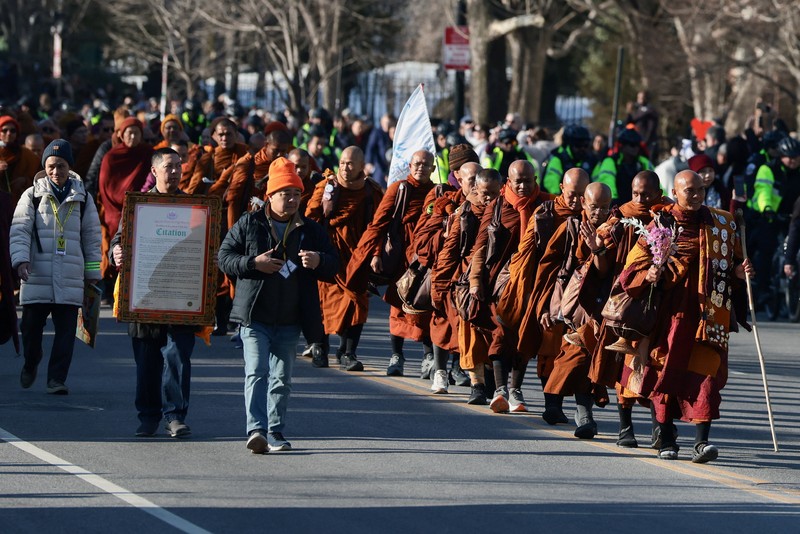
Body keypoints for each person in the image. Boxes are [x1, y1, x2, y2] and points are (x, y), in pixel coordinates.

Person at [618, 170, 753, 462]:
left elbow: (733, 263)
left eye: (699, 190)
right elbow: (630, 272)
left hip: (708, 316)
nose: (695, 196)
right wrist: (649, 273)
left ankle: (701, 443)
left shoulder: (721, 224)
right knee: (665, 376)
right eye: (688, 191)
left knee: (706, 377)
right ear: (675, 193)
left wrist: (739, 274)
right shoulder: (660, 226)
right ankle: (667, 439)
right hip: (669, 318)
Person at [218, 157, 338, 454]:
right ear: (270, 195)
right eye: (286, 193)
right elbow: (223, 258)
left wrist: (319, 260)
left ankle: (275, 431)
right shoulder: (250, 223)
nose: (293, 199)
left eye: (297, 193)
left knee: (282, 380)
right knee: (257, 371)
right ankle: (256, 430)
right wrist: (252, 263)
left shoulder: (309, 229)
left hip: (290, 319)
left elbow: (335, 262)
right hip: (254, 316)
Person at [109, 148, 199, 437]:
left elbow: (205, 244)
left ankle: (174, 414)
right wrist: (116, 252)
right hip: (144, 297)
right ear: (155, 171)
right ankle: (148, 415)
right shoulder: (139, 206)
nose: (174, 172)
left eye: (178, 167)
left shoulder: (196, 208)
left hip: (181, 297)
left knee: (177, 357)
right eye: (168, 167)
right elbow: (119, 239)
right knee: (147, 362)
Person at [10, 139, 102, 394]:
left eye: (60, 166)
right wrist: (20, 260)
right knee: (29, 329)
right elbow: (19, 230)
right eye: (51, 166)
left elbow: (93, 238)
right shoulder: (32, 194)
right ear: (44, 167)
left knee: (65, 333)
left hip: (71, 275)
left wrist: (92, 273)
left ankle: (56, 379)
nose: (55, 172)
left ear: (69, 167)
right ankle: (32, 361)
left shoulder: (83, 198)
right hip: (36, 273)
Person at [587, 171, 670, 447]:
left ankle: (660, 428)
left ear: (658, 192)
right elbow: (602, 258)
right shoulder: (621, 215)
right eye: (635, 193)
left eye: (646, 194)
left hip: (664, 298)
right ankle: (626, 426)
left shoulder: (669, 214)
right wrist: (598, 247)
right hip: (628, 296)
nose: (640, 199)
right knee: (628, 361)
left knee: (658, 363)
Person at [504, 168, 590, 422]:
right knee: (549, 346)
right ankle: (551, 403)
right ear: (562, 188)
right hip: (550, 288)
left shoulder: (592, 215)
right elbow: (527, 252)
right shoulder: (547, 213)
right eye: (572, 195)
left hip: (584, 290)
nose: (576, 201)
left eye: (581, 196)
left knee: (580, 347)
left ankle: (582, 408)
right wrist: (531, 294)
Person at [470, 160, 555, 412]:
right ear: (508, 181)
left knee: (525, 335)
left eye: (527, 181)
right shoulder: (498, 206)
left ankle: (516, 390)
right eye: (517, 181)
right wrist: (475, 280)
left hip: (535, 283)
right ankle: (500, 389)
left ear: (535, 179)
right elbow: (481, 245)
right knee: (501, 333)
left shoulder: (547, 204)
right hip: (502, 282)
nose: (522, 186)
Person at [345, 150, 435, 376]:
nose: (420, 168)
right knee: (398, 305)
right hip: (401, 258)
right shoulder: (399, 189)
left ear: (433, 169)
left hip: (424, 258)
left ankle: (428, 357)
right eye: (417, 164)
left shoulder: (437, 193)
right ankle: (397, 356)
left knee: (426, 305)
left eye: (425, 165)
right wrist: (373, 253)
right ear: (409, 165)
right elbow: (379, 224)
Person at [305, 146, 383, 370]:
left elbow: (378, 226)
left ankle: (348, 352)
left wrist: (375, 254)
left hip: (358, 256)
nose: (345, 168)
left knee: (357, 302)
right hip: (329, 254)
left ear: (361, 166)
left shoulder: (371, 192)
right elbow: (311, 219)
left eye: (350, 164)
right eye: (342, 163)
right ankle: (320, 345)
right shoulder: (327, 187)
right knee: (323, 302)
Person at [431, 167, 503, 403]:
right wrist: (439, 285)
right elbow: (450, 249)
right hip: (465, 279)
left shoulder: (505, 210)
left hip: (496, 277)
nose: (488, 198)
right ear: (475, 189)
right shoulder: (467, 211)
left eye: (493, 193)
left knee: (495, 332)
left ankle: (494, 383)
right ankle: (477, 385)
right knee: (469, 328)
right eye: (484, 193)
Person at [592, 128, 654, 204]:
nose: (635, 148)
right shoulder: (611, 161)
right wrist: (613, 202)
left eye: (637, 145)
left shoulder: (643, 162)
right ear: (622, 146)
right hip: (617, 205)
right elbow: (608, 182)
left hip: (640, 204)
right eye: (631, 145)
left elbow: (656, 183)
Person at [542, 125, 595, 195]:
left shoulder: (592, 160)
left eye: (585, 145)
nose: (582, 149)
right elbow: (551, 180)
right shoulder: (558, 158)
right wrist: (560, 198)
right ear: (570, 145)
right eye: (578, 145)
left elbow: (599, 181)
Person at [0, 115, 41, 207]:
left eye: (13, 130)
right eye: (4, 130)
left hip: (20, 203)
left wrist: (25, 180)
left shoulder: (26, 153)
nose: (9, 133)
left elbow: (40, 177)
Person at [365, 113, 395, 186]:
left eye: (389, 123)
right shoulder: (377, 132)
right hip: (379, 163)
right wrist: (368, 161)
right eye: (385, 123)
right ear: (381, 123)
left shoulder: (393, 132)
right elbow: (370, 147)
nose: (387, 125)